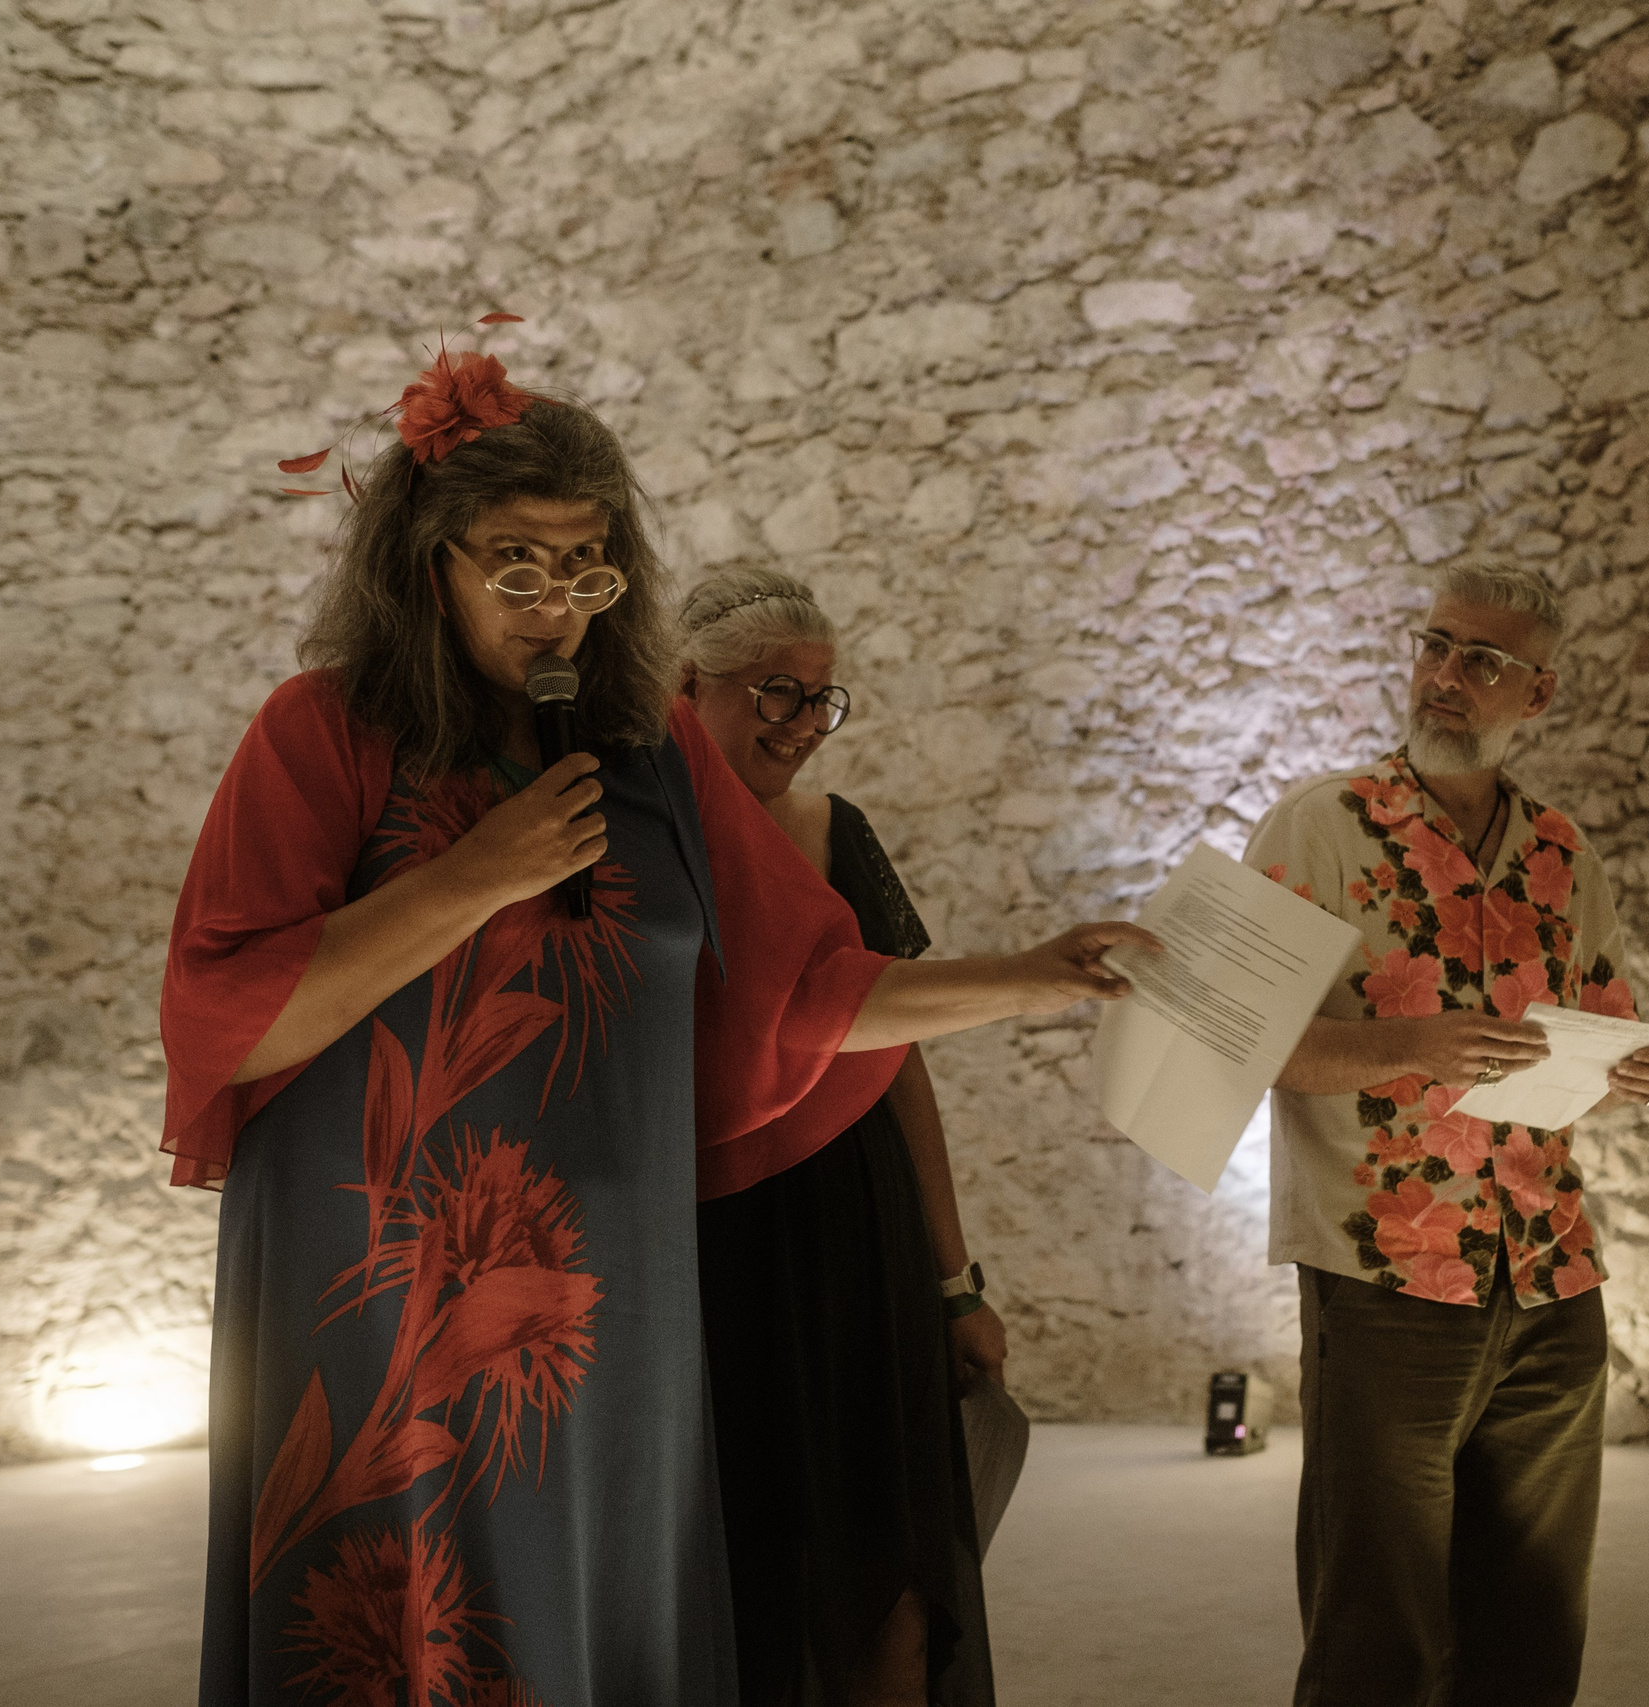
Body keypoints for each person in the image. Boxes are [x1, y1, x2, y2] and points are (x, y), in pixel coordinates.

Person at [158, 347, 1156, 1707]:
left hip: (607, 1290)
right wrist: (473, 879)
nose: (555, 608)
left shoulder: (652, 753)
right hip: (386, 1290)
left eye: (588, 567)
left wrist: (1035, 979)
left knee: (605, 1598)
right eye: (516, 566)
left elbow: (806, 988)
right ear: (426, 564)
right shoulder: (322, 732)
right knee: (416, 1622)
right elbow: (229, 1021)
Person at [1243, 561, 1649, 1707]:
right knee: (1378, 1633)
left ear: (1536, 694)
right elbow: (1236, 1042)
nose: (1444, 675)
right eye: (1435, 645)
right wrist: (1413, 1047)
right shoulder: (1319, 826)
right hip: (1385, 1275)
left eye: (1481, 660)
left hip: (1550, 1271)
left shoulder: (1561, 853)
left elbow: (1590, 1040)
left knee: (1532, 1632)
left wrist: (1629, 1071)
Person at [676, 568, 1001, 1707]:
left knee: (883, 1559)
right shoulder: (634, 834)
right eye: (776, 693)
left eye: (822, 699)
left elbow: (898, 1055)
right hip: (704, 1237)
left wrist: (954, 1285)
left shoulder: (833, 831)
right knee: (735, 1567)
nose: (804, 724)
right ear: (687, 684)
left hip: (853, 1226)